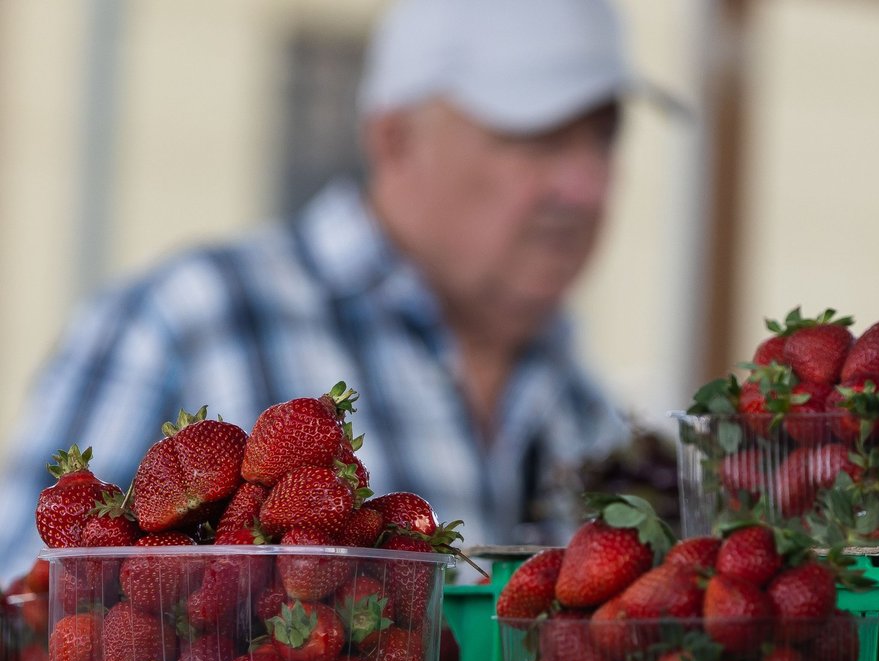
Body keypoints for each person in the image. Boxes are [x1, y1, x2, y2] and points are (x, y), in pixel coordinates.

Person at [0, 0, 635, 579]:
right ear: (395, 138)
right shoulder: (188, 321)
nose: (584, 187)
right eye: (535, 135)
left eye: (603, 137)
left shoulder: (592, 414)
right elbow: (33, 636)